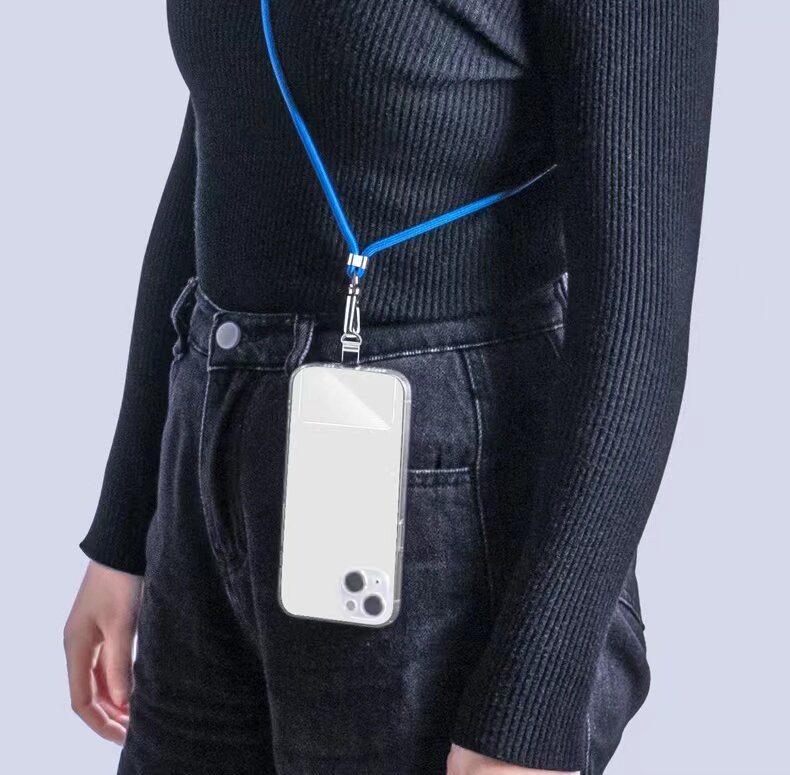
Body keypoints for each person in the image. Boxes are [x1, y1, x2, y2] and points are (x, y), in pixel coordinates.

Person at [63, 2, 718, 774]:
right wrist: (124, 532)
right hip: (208, 456)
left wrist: (531, 706)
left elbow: (638, 321)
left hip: (439, 492)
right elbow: (225, 132)